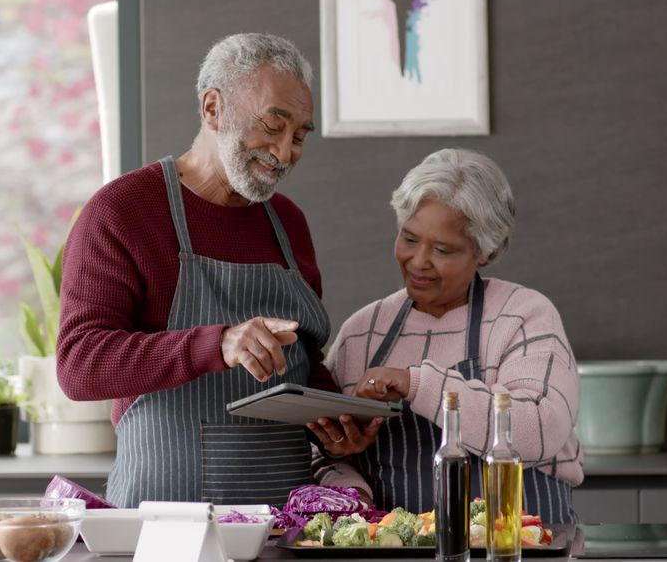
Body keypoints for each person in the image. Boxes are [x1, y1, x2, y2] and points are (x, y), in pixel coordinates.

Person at [56, 33, 381, 508]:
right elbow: (79, 365)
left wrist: (335, 424)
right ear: (213, 109)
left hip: (287, 530)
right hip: (164, 527)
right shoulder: (122, 211)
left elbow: (302, 361)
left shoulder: (289, 223)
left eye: (300, 135)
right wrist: (220, 343)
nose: (287, 152)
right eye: (273, 125)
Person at [315, 148, 583, 523]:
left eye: (443, 249)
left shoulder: (523, 316)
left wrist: (416, 383)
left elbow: (538, 429)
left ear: (484, 252)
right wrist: (346, 471)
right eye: (409, 239)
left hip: (518, 545)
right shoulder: (362, 331)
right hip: (394, 550)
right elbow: (318, 454)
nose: (419, 261)